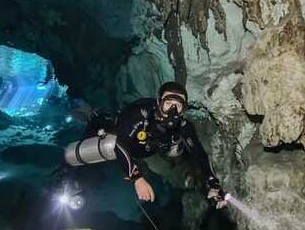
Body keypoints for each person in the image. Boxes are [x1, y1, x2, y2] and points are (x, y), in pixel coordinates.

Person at [63, 82, 227, 209]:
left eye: (178, 105)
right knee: (107, 135)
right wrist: (137, 178)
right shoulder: (139, 114)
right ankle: (93, 115)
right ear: (158, 102)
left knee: (177, 155)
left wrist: (212, 182)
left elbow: (199, 154)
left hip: (150, 152)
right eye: (169, 103)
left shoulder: (184, 126)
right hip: (124, 139)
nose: (173, 110)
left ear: (184, 109)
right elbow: (120, 145)